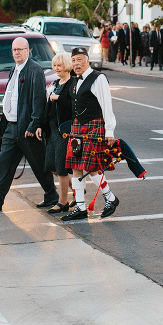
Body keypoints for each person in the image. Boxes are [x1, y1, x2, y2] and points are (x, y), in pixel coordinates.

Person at [0, 37, 58, 211]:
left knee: (38, 163)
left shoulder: (34, 70)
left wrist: (34, 124)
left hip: (26, 127)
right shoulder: (14, 69)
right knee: (4, 163)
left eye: (20, 49)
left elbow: (38, 100)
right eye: (14, 50)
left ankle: (52, 195)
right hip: (11, 126)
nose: (17, 53)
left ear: (28, 51)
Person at [63, 47, 121, 220]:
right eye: (74, 60)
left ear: (87, 60)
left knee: (91, 167)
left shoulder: (98, 78)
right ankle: (80, 206)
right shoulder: (75, 80)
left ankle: (110, 197)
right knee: (76, 167)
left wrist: (109, 131)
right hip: (77, 129)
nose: (76, 64)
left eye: (80, 59)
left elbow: (106, 105)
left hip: (94, 127)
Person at [44, 53, 75, 214]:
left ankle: (63, 201)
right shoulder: (55, 83)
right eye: (55, 65)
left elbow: (74, 106)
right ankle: (77, 190)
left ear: (67, 66)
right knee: (52, 166)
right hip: (52, 129)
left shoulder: (72, 83)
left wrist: (58, 98)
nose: (56, 68)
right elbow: (48, 107)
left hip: (64, 130)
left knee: (61, 167)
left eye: (59, 65)